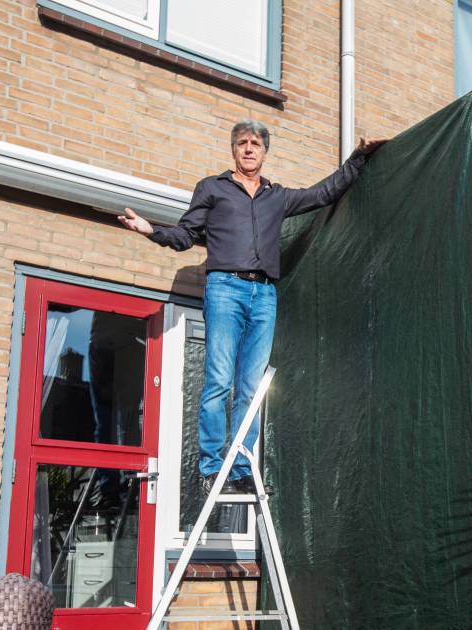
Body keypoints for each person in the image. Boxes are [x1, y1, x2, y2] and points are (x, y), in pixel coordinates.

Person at [119, 120, 387, 494]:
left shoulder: (276, 197)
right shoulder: (212, 189)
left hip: (264, 295)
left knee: (250, 387)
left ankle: (240, 467)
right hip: (225, 289)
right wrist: (152, 231)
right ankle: (212, 467)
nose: (249, 148)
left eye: (256, 143)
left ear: (264, 151)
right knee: (218, 380)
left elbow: (323, 193)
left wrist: (358, 158)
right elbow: (186, 235)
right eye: (242, 143)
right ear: (233, 150)